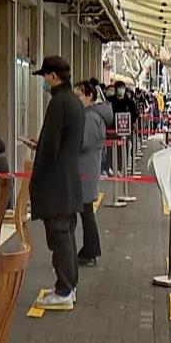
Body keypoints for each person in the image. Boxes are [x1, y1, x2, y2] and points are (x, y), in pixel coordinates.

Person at [28, 56, 86, 310]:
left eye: (44, 76)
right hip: (69, 180)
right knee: (67, 236)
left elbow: (51, 146)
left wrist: (38, 178)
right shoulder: (75, 102)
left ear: (53, 76)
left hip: (55, 183)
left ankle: (63, 291)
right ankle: (69, 287)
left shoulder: (58, 103)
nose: (43, 80)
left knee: (59, 237)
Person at [75, 81, 109, 266]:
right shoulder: (92, 115)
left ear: (90, 96)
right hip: (87, 168)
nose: (76, 99)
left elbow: (82, 142)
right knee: (85, 211)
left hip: (85, 170)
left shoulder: (90, 117)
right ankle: (89, 249)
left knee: (86, 212)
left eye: (79, 96)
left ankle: (91, 250)